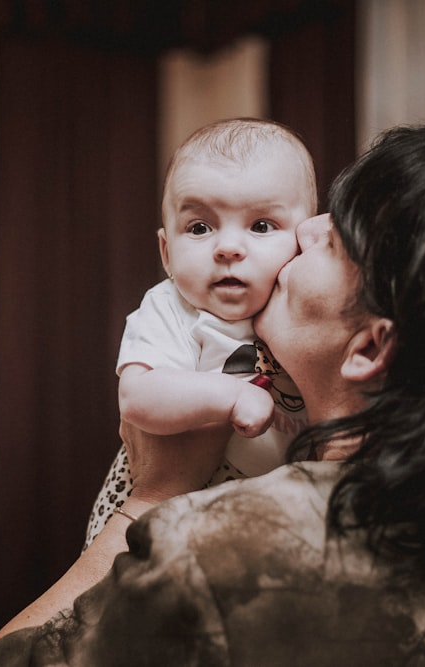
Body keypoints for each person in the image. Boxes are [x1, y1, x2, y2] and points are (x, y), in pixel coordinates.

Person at [0, 125, 425, 665]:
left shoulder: (223, 552)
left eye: (337, 238)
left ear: (371, 348)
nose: (309, 229)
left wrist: (152, 494)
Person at [83, 118, 315, 547]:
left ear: (305, 242)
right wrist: (231, 396)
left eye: (261, 226)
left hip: (264, 506)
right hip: (165, 500)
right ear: (167, 253)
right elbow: (137, 396)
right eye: (199, 228)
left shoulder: (304, 307)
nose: (228, 248)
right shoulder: (172, 307)